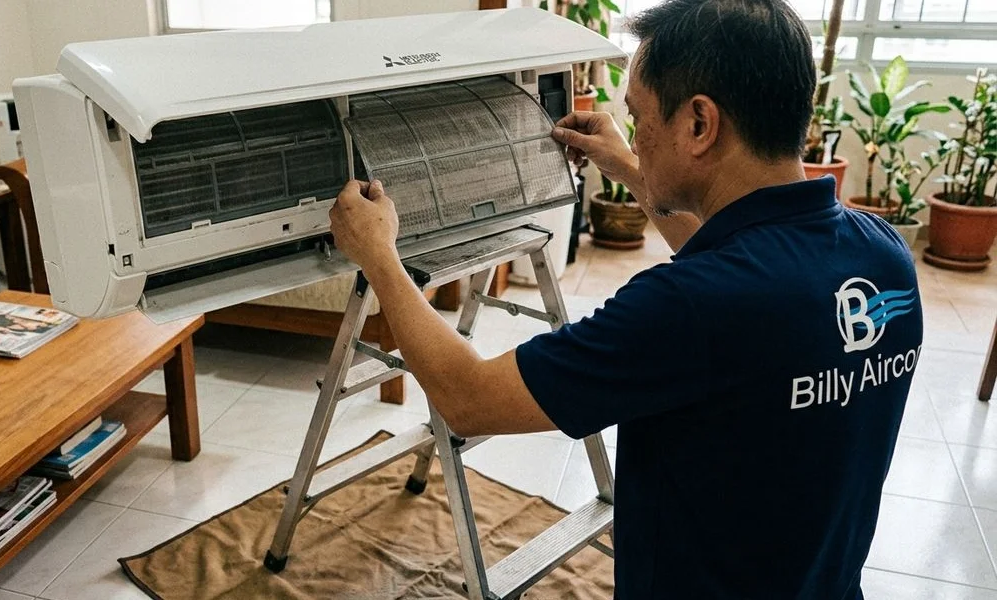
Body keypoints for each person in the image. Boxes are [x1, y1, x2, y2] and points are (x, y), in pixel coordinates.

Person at [327, 0, 923, 597]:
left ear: (699, 124)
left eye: (638, 117)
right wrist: (636, 170)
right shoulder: (882, 254)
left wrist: (380, 256)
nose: (634, 135)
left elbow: (468, 399)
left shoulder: (687, 307)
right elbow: (745, 272)